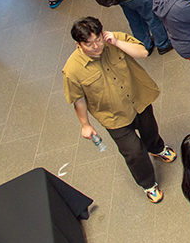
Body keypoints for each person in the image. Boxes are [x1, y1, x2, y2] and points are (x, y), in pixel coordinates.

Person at [63, 16, 177, 203]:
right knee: (133, 152)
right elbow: (78, 99)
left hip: (138, 98)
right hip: (113, 116)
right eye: (89, 44)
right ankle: (148, 184)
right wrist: (85, 125)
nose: (97, 46)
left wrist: (115, 42)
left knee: (150, 129)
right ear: (78, 44)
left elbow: (143, 52)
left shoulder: (114, 39)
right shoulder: (72, 69)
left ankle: (157, 148)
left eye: (98, 39)